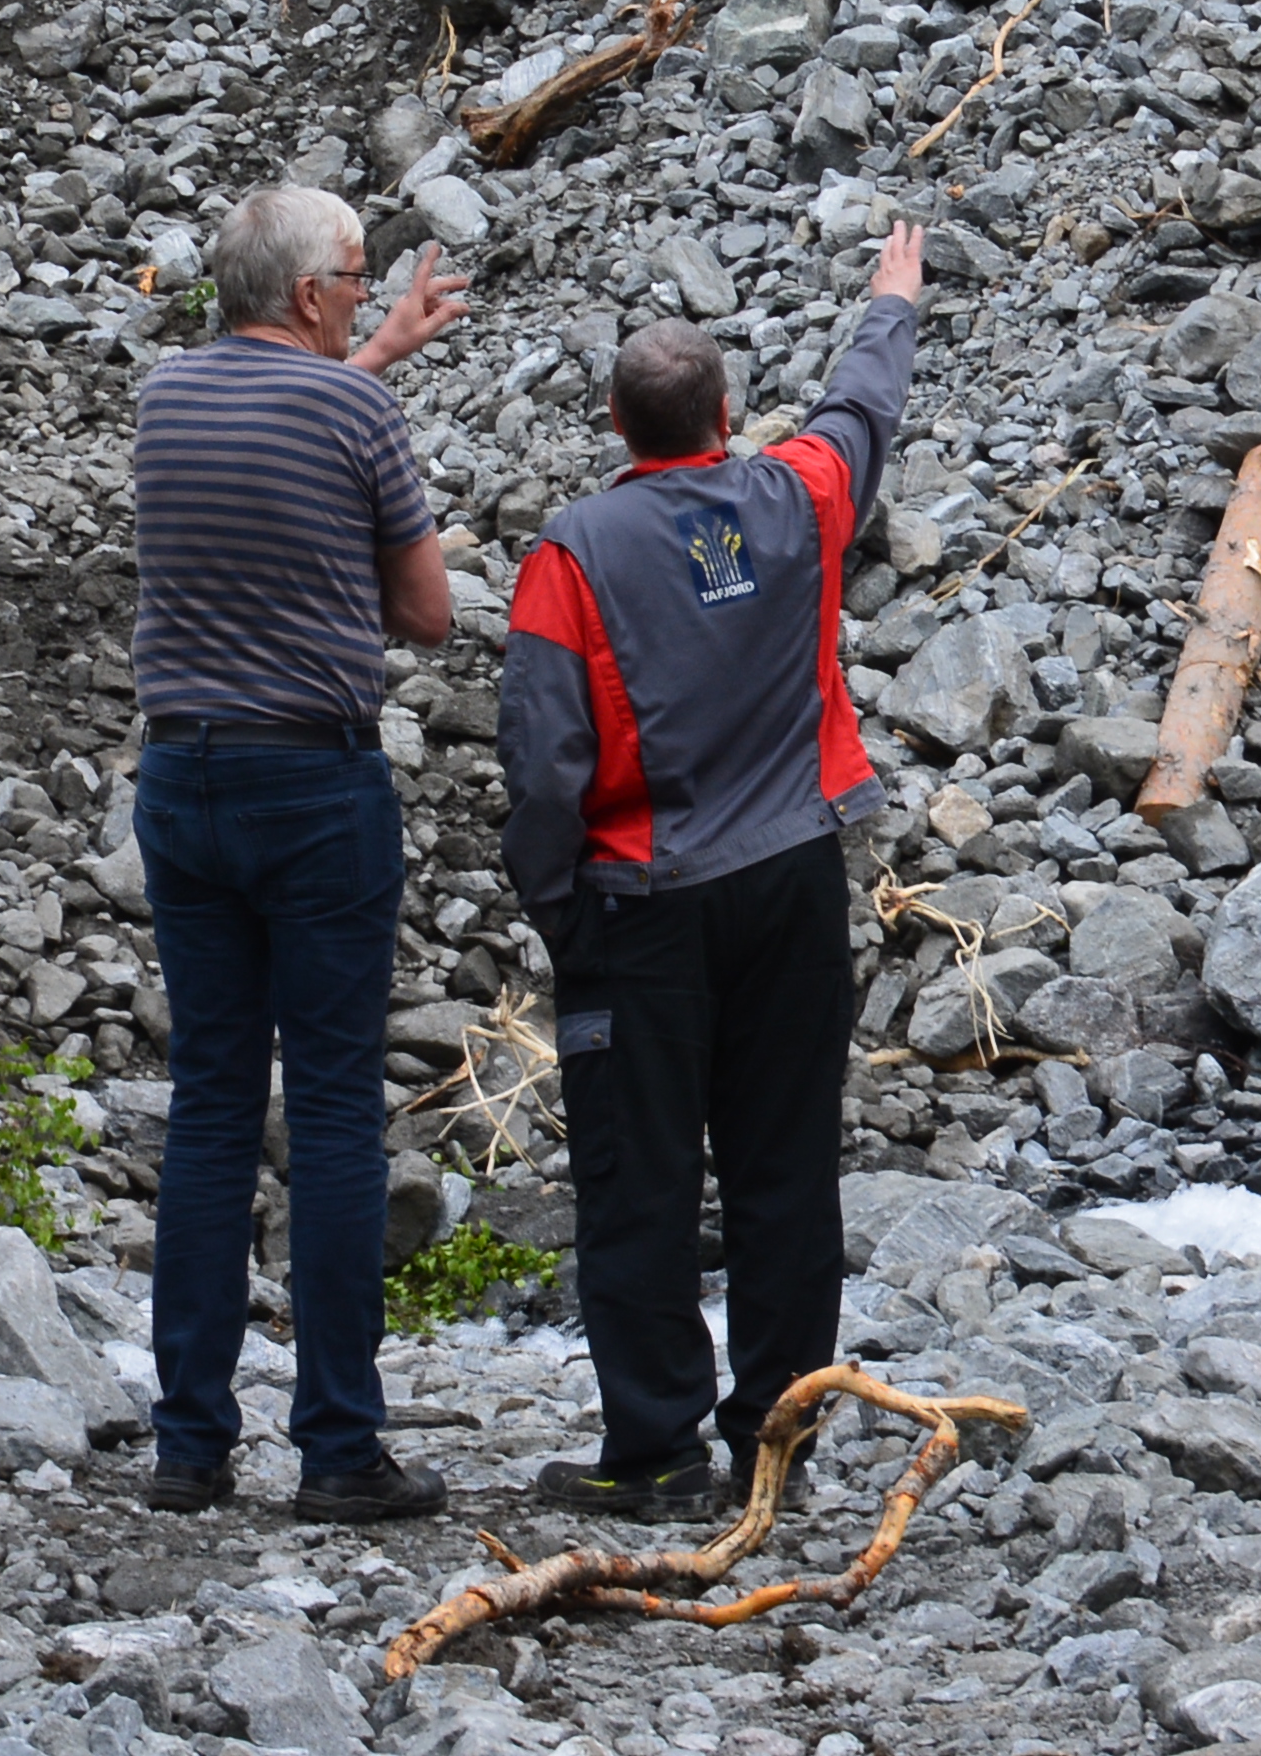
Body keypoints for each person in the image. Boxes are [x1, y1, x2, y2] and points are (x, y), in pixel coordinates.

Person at [496, 221, 935, 1516]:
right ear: (726, 415)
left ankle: (655, 1452)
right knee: (786, 1165)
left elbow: (541, 760)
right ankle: (777, 1441)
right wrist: (891, 296)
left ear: (615, 424)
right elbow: (865, 406)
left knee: (639, 1177)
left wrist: (558, 906)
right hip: (795, 878)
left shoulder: (570, 556)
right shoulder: (796, 493)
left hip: (645, 904)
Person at [124, 181, 467, 1522]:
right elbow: (428, 615)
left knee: (210, 1103)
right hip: (314, 783)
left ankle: (188, 1445)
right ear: (315, 293)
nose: (363, 295)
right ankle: (337, 1447)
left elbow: (286, 416)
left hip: (183, 774)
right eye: (357, 279)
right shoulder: (359, 414)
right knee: (328, 1106)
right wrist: (373, 388)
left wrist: (375, 353)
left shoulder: (167, 401)